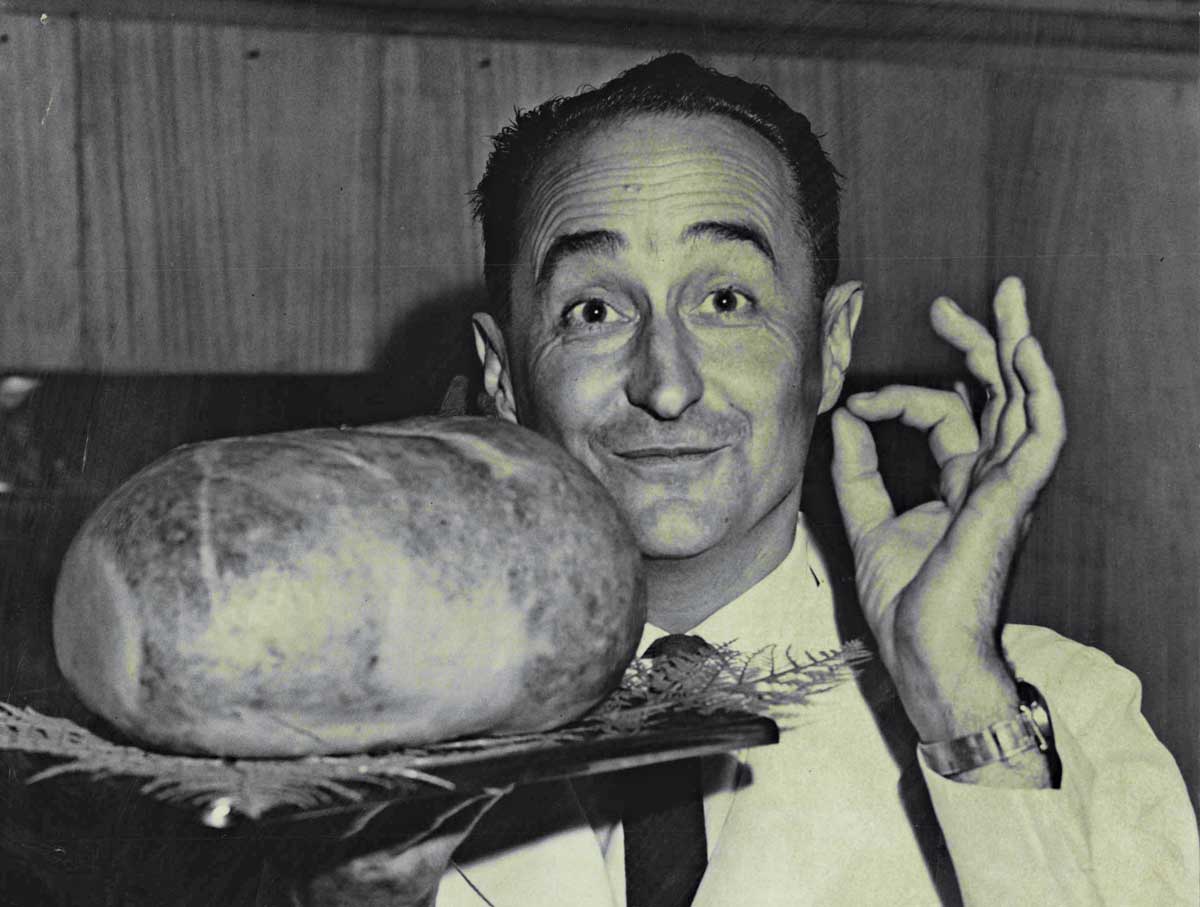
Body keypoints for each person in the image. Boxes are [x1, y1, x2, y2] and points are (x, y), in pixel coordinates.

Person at [346, 53, 1198, 906]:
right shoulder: (346, 750)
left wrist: (962, 706)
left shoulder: (1051, 712)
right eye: (594, 311)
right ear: (502, 376)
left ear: (830, 347)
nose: (666, 385)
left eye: (725, 300)